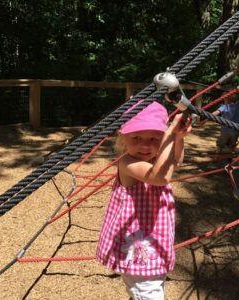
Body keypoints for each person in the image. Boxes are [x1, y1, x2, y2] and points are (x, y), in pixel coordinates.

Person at [96, 101, 191, 300]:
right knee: (148, 292)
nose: (145, 145)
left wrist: (178, 138)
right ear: (123, 138)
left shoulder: (157, 159)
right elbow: (160, 177)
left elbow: (177, 160)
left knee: (148, 288)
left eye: (154, 139)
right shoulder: (128, 162)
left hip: (154, 239)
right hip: (137, 246)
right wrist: (168, 135)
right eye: (136, 137)